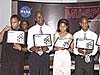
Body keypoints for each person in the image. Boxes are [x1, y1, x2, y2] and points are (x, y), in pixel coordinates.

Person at [27, 11, 54, 75]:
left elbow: (52, 45)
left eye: (41, 16)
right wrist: (33, 48)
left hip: (45, 56)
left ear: (43, 17)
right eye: (38, 17)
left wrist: (47, 48)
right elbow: (29, 45)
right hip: (34, 56)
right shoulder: (31, 30)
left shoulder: (49, 29)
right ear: (35, 19)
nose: (40, 18)